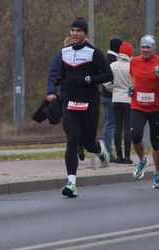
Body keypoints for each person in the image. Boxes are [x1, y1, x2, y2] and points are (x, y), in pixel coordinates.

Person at [55, 17, 113, 197]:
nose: (74, 33)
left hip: (89, 103)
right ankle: (71, 183)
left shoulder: (93, 53)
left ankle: (100, 148)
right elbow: (61, 73)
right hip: (70, 102)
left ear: (84, 34)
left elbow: (108, 74)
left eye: (78, 31)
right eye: (72, 30)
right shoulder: (64, 52)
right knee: (72, 138)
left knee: (88, 143)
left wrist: (89, 79)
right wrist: (58, 81)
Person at [130, 35, 159, 189]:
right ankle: (142, 160)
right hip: (138, 105)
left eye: (148, 47)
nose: (145, 50)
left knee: (156, 142)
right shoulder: (134, 61)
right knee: (135, 135)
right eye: (143, 47)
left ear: (153, 48)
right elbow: (132, 75)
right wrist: (132, 87)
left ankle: (157, 174)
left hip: (156, 107)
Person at [46, 36, 85, 161]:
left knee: (81, 123)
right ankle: (76, 145)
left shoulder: (87, 54)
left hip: (83, 95)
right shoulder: (61, 55)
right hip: (67, 95)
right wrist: (51, 91)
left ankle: (80, 144)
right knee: (70, 123)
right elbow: (53, 73)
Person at [104, 42, 134, 164]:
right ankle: (127, 157)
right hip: (129, 100)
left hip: (116, 99)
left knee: (117, 128)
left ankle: (119, 157)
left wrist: (114, 89)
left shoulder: (113, 65)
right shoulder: (132, 66)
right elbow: (135, 84)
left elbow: (106, 83)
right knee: (127, 129)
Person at [101, 38, 123, 163]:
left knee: (108, 124)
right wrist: (116, 90)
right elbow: (107, 79)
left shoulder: (105, 58)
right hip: (111, 97)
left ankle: (107, 151)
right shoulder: (113, 60)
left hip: (104, 96)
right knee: (110, 125)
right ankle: (107, 153)